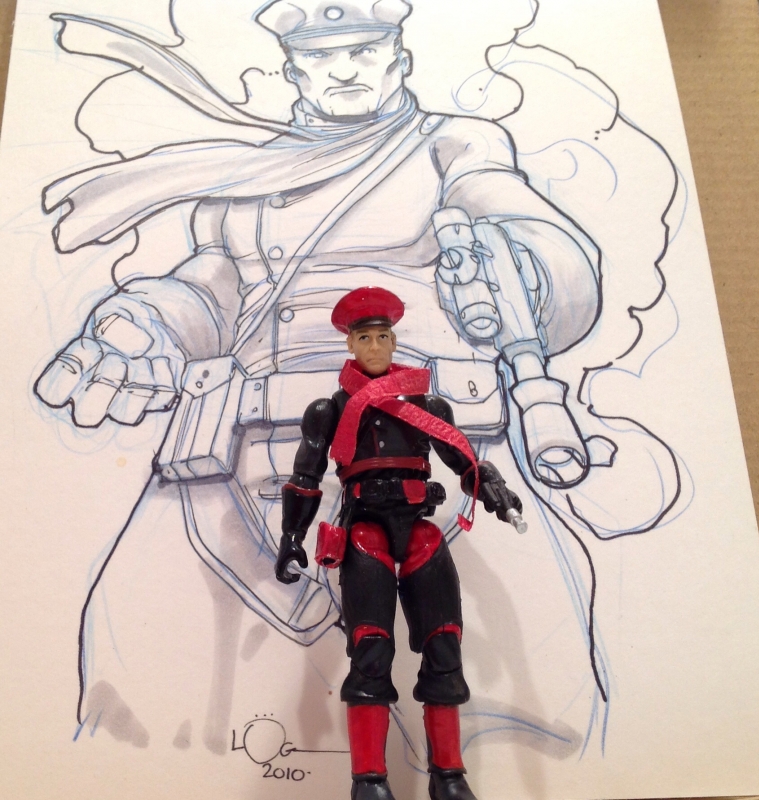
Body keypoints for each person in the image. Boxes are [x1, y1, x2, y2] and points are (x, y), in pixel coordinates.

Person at [33, 0, 640, 760]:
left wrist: (520, 269)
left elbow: (539, 236)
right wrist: (147, 320)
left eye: (364, 50)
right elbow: (215, 285)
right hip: (244, 462)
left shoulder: (451, 145)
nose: (345, 69)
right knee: (144, 692)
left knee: (529, 697)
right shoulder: (247, 171)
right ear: (294, 70)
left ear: (399, 59)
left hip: (422, 454)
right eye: (322, 56)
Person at [277, 286, 524, 800]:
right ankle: (369, 780)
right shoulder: (330, 409)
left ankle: (449, 775)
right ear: (350, 345)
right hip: (365, 532)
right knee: (370, 650)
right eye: (365, 338)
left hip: (419, 531)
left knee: (444, 644)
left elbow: (461, 459)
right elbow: (306, 476)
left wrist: (491, 488)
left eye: (383, 337)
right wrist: (292, 537)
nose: (375, 347)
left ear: (393, 342)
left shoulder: (426, 404)